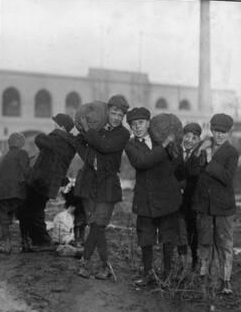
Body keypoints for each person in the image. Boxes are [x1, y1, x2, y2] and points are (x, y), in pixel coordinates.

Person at [73, 94, 130, 280]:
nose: (116, 118)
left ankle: (85, 262)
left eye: (120, 115)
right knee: (96, 226)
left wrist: (89, 131)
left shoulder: (123, 134)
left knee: (98, 225)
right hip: (89, 183)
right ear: (108, 112)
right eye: (113, 113)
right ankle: (105, 267)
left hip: (107, 185)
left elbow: (105, 147)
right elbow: (80, 143)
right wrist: (91, 158)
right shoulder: (99, 129)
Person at [124, 107, 182, 287]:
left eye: (140, 123)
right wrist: (165, 146)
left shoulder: (161, 138)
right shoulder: (131, 145)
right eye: (133, 125)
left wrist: (173, 147)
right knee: (146, 238)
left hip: (167, 198)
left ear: (149, 123)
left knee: (168, 237)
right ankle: (148, 273)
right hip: (145, 199)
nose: (137, 127)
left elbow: (176, 164)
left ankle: (167, 274)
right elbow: (141, 162)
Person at [192, 113, 239, 296]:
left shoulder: (232, 152)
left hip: (224, 206)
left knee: (224, 243)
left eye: (223, 132)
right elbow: (193, 170)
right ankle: (204, 276)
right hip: (204, 205)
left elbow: (227, 178)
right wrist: (199, 152)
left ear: (229, 133)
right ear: (211, 130)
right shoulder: (204, 146)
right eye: (216, 131)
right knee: (204, 241)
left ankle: (225, 280)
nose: (219, 135)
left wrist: (210, 158)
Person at [19, 113, 76, 250]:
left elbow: (39, 139)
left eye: (56, 123)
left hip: (41, 181)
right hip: (49, 183)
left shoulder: (58, 140)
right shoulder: (68, 144)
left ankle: (42, 241)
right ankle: (37, 239)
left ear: (61, 127)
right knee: (34, 210)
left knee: (33, 211)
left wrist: (57, 132)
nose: (54, 125)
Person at [175, 122, 203, 273]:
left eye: (194, 138)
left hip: (192, 201)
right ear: (182, 136)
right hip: (177, 201)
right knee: (179, 232)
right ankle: (182, 263)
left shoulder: (200, 155)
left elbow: (196, 175)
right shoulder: (176, 152)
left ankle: (194, 263)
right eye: (187, 136)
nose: (189, 140)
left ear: (198, 140)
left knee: (193, 232)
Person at [0, 132, 30, 253]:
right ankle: (25, 242)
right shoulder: (22, 153)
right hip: (18, 192)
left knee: (4, 220)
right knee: (24, 217)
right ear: (19, 143)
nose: (23, 143)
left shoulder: (3, 157)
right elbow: (27, 172)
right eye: (22, 140)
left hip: (2, 194)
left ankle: (6, 245)